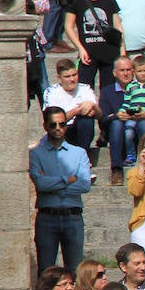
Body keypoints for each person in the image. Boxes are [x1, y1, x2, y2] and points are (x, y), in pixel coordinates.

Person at [30, 106, 93, 271]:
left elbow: (85, 184)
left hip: (73, 217)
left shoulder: (79, 153)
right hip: (47, 217)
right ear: (45, 126)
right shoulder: (36, 154)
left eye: (62, 124)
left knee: (75, 271)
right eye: (53, 125)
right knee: (46, 272)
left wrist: (52, 184)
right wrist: (68, 180)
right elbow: (40, 184)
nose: (58, 128)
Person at [64, 0, 123, 89]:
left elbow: (118, 27)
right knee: (84, 90)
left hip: (109, 52)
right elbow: (68, 26)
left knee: (109, 92)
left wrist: (122, 52)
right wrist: (80, 48)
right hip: (88, 53)